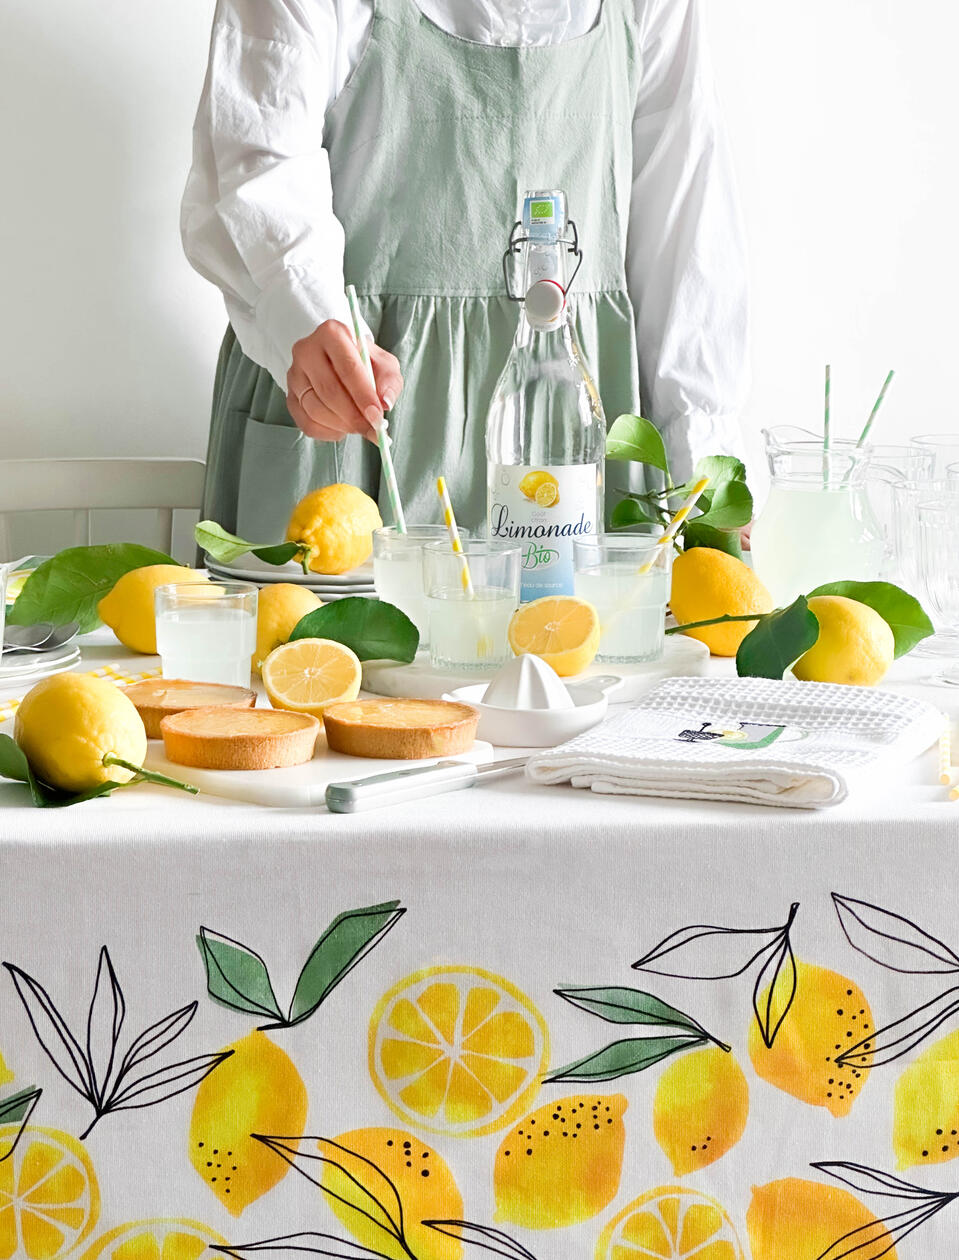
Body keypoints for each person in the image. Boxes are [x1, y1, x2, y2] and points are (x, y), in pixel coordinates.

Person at [182, 0, 749, 543]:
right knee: (319, 641)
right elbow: (256, 155)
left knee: (581, 639)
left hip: (573, 422)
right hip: (354, 403)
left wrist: (700, 474)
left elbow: (684, 217)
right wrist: (308, 317)